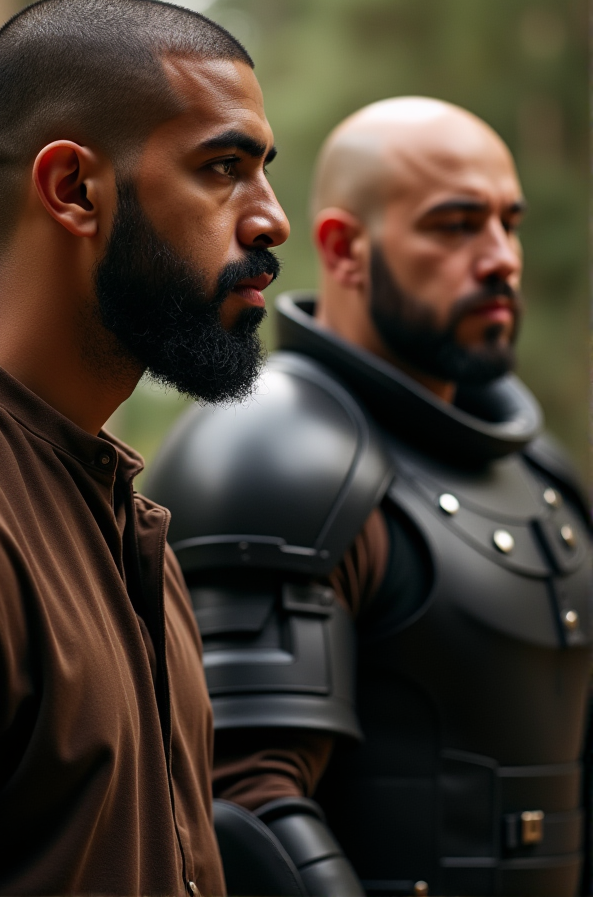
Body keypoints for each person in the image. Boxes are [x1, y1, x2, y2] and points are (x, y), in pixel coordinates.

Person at [145, 97, 593, 897]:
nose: (502, 259)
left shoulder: (546, 477)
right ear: (345, 249)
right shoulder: (268, 455)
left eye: (508, 223)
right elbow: (241, 804)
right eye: (456, 225)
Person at [0, 0, 289, 896]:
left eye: (264, 169)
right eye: (223, 167)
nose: (271, 218)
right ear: (74, 190)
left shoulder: (121, 516)